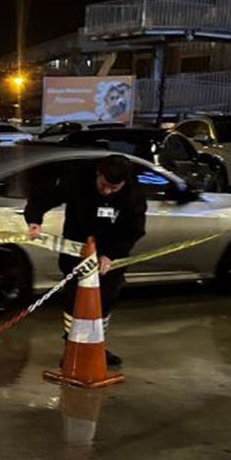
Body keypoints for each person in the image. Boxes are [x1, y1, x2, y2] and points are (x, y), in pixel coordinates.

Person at [25, 154, 147, 367]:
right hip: (76, 249)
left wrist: (111, 254)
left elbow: (134, 229)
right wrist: (34, 220)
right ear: (98, 173)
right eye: (104, 185)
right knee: (75, 302)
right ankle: (72, 346)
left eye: (114, 188)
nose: (107, 191)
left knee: (104, 302)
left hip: (110, 257)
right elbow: (44, 196)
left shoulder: (132, 193)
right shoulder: (77, 179)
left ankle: (97, 345)